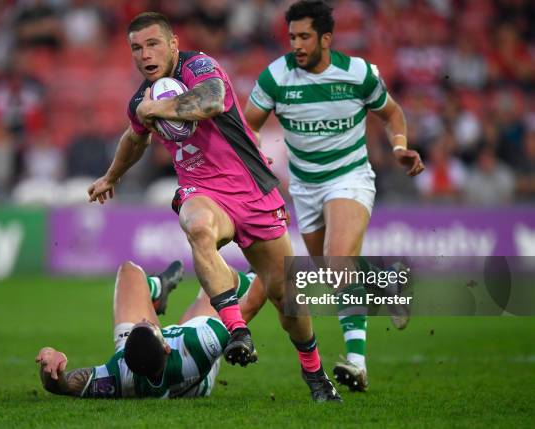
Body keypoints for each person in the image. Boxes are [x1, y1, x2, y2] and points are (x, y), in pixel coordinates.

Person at [87, 12, 340, 401]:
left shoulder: (199, 66)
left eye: (153, 44)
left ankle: (315, 374)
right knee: (197, 225)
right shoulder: (142, 99)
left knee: (287, 302)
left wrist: (158, 111)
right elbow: (134, 140)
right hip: (202, 191)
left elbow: (212, 100)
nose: (144, 55)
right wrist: (111, 176)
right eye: (136, 48)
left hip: (253, 192)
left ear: (172, 45)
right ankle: (238, 330)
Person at [244, 0, 424, 392]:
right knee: (333, 273)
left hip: (350, 178)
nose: (296, 44)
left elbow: (393, 113)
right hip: (305, 188)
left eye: (305, 36)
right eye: (292, 36)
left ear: (326, 38)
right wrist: (256, 160)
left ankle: (357, 363)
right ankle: (388, 283)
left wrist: (398, 147)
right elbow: (247, 128)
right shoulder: (276, 78)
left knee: (339, 259)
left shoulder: (357, 73)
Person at [35, 260, 266, 398]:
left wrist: (50, 368)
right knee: (221, 281)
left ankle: (158, 288)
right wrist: (273, 264)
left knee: (129, 272)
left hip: (162, 368)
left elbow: (63, 386)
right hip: (197, 374)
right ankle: (255, 271)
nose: (145, 318)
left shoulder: (119, 375)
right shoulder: (200, 345)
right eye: (149, 323)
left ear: (125, 354)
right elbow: (251, 304)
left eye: (139, 325)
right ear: (166, 345)